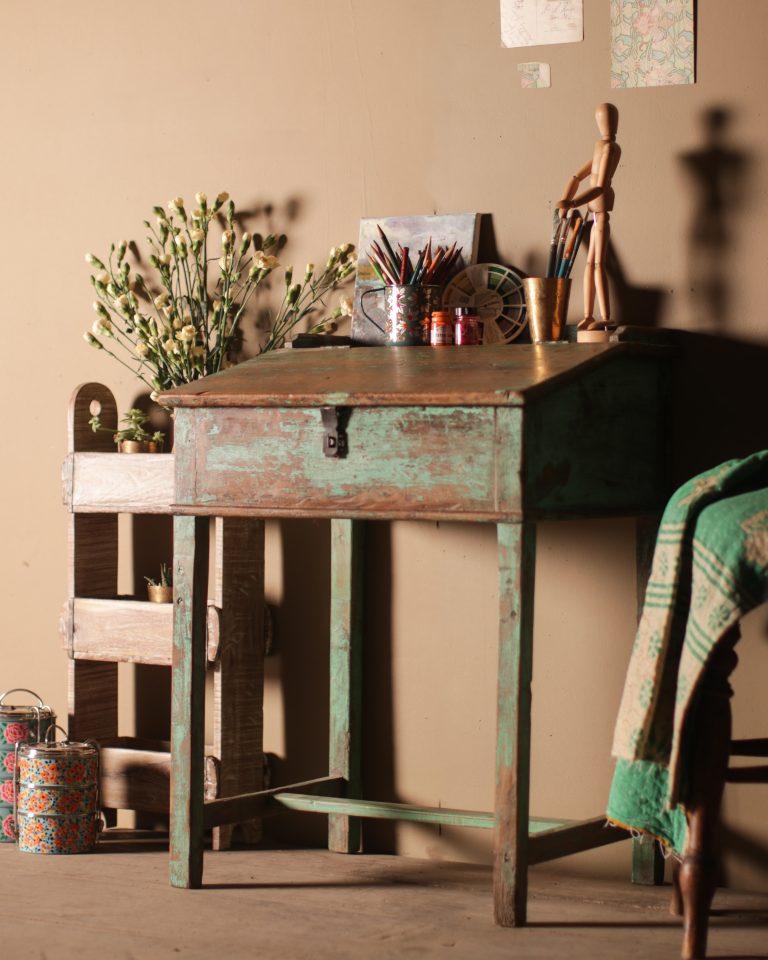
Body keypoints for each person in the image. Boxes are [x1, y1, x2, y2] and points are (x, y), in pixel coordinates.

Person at [556, 103, 621, 332]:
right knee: (588, 263)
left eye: (608, 119)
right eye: (602, 119)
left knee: (598, 263)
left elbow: (600, 187)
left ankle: (605, 316)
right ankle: (587, 315)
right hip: (591, 213)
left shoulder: (611, 148)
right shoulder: (600, 146)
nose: (605, 124)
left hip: (601, 213)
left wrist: (573, 202)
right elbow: (578, 176)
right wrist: (565, 198)